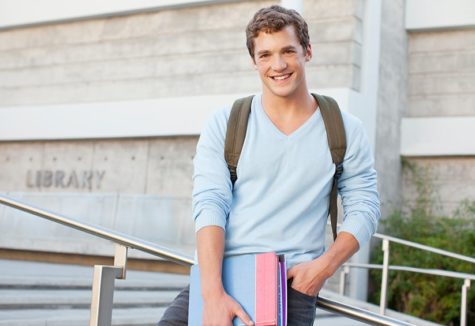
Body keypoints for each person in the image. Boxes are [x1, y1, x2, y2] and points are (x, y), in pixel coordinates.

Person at [158, 5, 380, 326]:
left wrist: (323, 267)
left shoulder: (344, 128)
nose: (277, 65)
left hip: (290, 284)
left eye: (288, 51)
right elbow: (210, 203)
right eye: (265, 55)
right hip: (222, 275)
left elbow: (365, 207)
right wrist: (212, 293)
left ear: (307, 51)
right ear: (254, 61)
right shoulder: (227, 122)